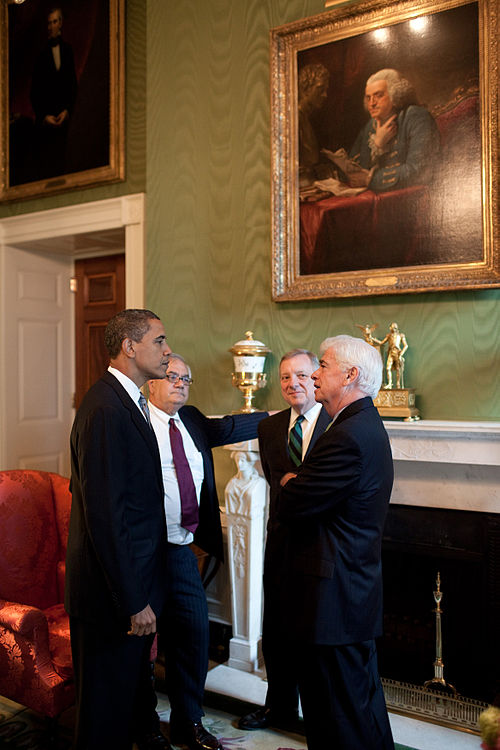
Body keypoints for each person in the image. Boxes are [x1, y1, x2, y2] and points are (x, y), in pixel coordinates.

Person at [276, 335, 395, 750]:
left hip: (333, 601)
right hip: (347, 594)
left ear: (350, 375)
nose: (313, 373)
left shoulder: (347, 435)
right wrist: (298, 483)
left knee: (337, 719)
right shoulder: (360, 424)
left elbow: (292, 503)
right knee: (358, 710)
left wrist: (291, 481)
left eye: (322, 366)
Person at [147, 354, 269, 750]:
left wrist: (289, 412)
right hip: (145, 553)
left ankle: (188, 723)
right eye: (172, 377)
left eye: (187, 378)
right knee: (139, 646)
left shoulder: (193, 419)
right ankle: (145, 726)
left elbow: (230, 426)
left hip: (182, 547)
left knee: (195, 635)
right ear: (151, 382)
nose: (181, 383)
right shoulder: (133, 422)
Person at [65, 309, 172, 750]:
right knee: (102, 719)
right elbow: (106, 516)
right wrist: (133, 601)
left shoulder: (126, 400)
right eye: (160, 341)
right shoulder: (107, 408)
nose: (168, 351)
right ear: (130, 347)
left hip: (127, 590)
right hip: (110, 600)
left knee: (124, 709)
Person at [238, 349, 330, 732]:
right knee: (275, 632)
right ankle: (278, 708)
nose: (294, 383)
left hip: (323, 549)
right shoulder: (270, 428)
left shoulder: (337, 423)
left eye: (302, 375)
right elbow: (276, 484)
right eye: (286, 377)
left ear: (317, 378)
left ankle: (321, 717)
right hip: (280, 545)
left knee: (315, 635)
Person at [349, 68, 440, 193]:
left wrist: (371, 179)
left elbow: (419, 170)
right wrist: (377, 144)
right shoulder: (370, 125)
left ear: (395, 94)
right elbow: (358, 169)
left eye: (379, 95)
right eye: (368, 98)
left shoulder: (416, 116)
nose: (372, 103)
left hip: (411, 197)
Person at [30, 6, 77, 179]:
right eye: (49, 23)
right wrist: (44, 116)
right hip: (46, 121)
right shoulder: (41, 56)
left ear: (61, 23)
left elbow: (72, 85)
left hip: (65, 118)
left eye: (55, 21)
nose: (52, 26)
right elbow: (35, 92)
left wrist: (67, 111)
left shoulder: (68, 51)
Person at [378, 322, 408, 389]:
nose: (394, 329)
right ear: (390, 328)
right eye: (393, 327)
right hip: (391, 353)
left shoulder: (401, 335)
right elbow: (381, 343)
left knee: (398, 369)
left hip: (397, 353)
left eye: (395, 327)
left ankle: (398, 384)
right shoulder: (389, 336)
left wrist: (401, 353)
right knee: (388, 368)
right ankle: (389, 383)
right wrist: (372, 338)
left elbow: (406, 345)